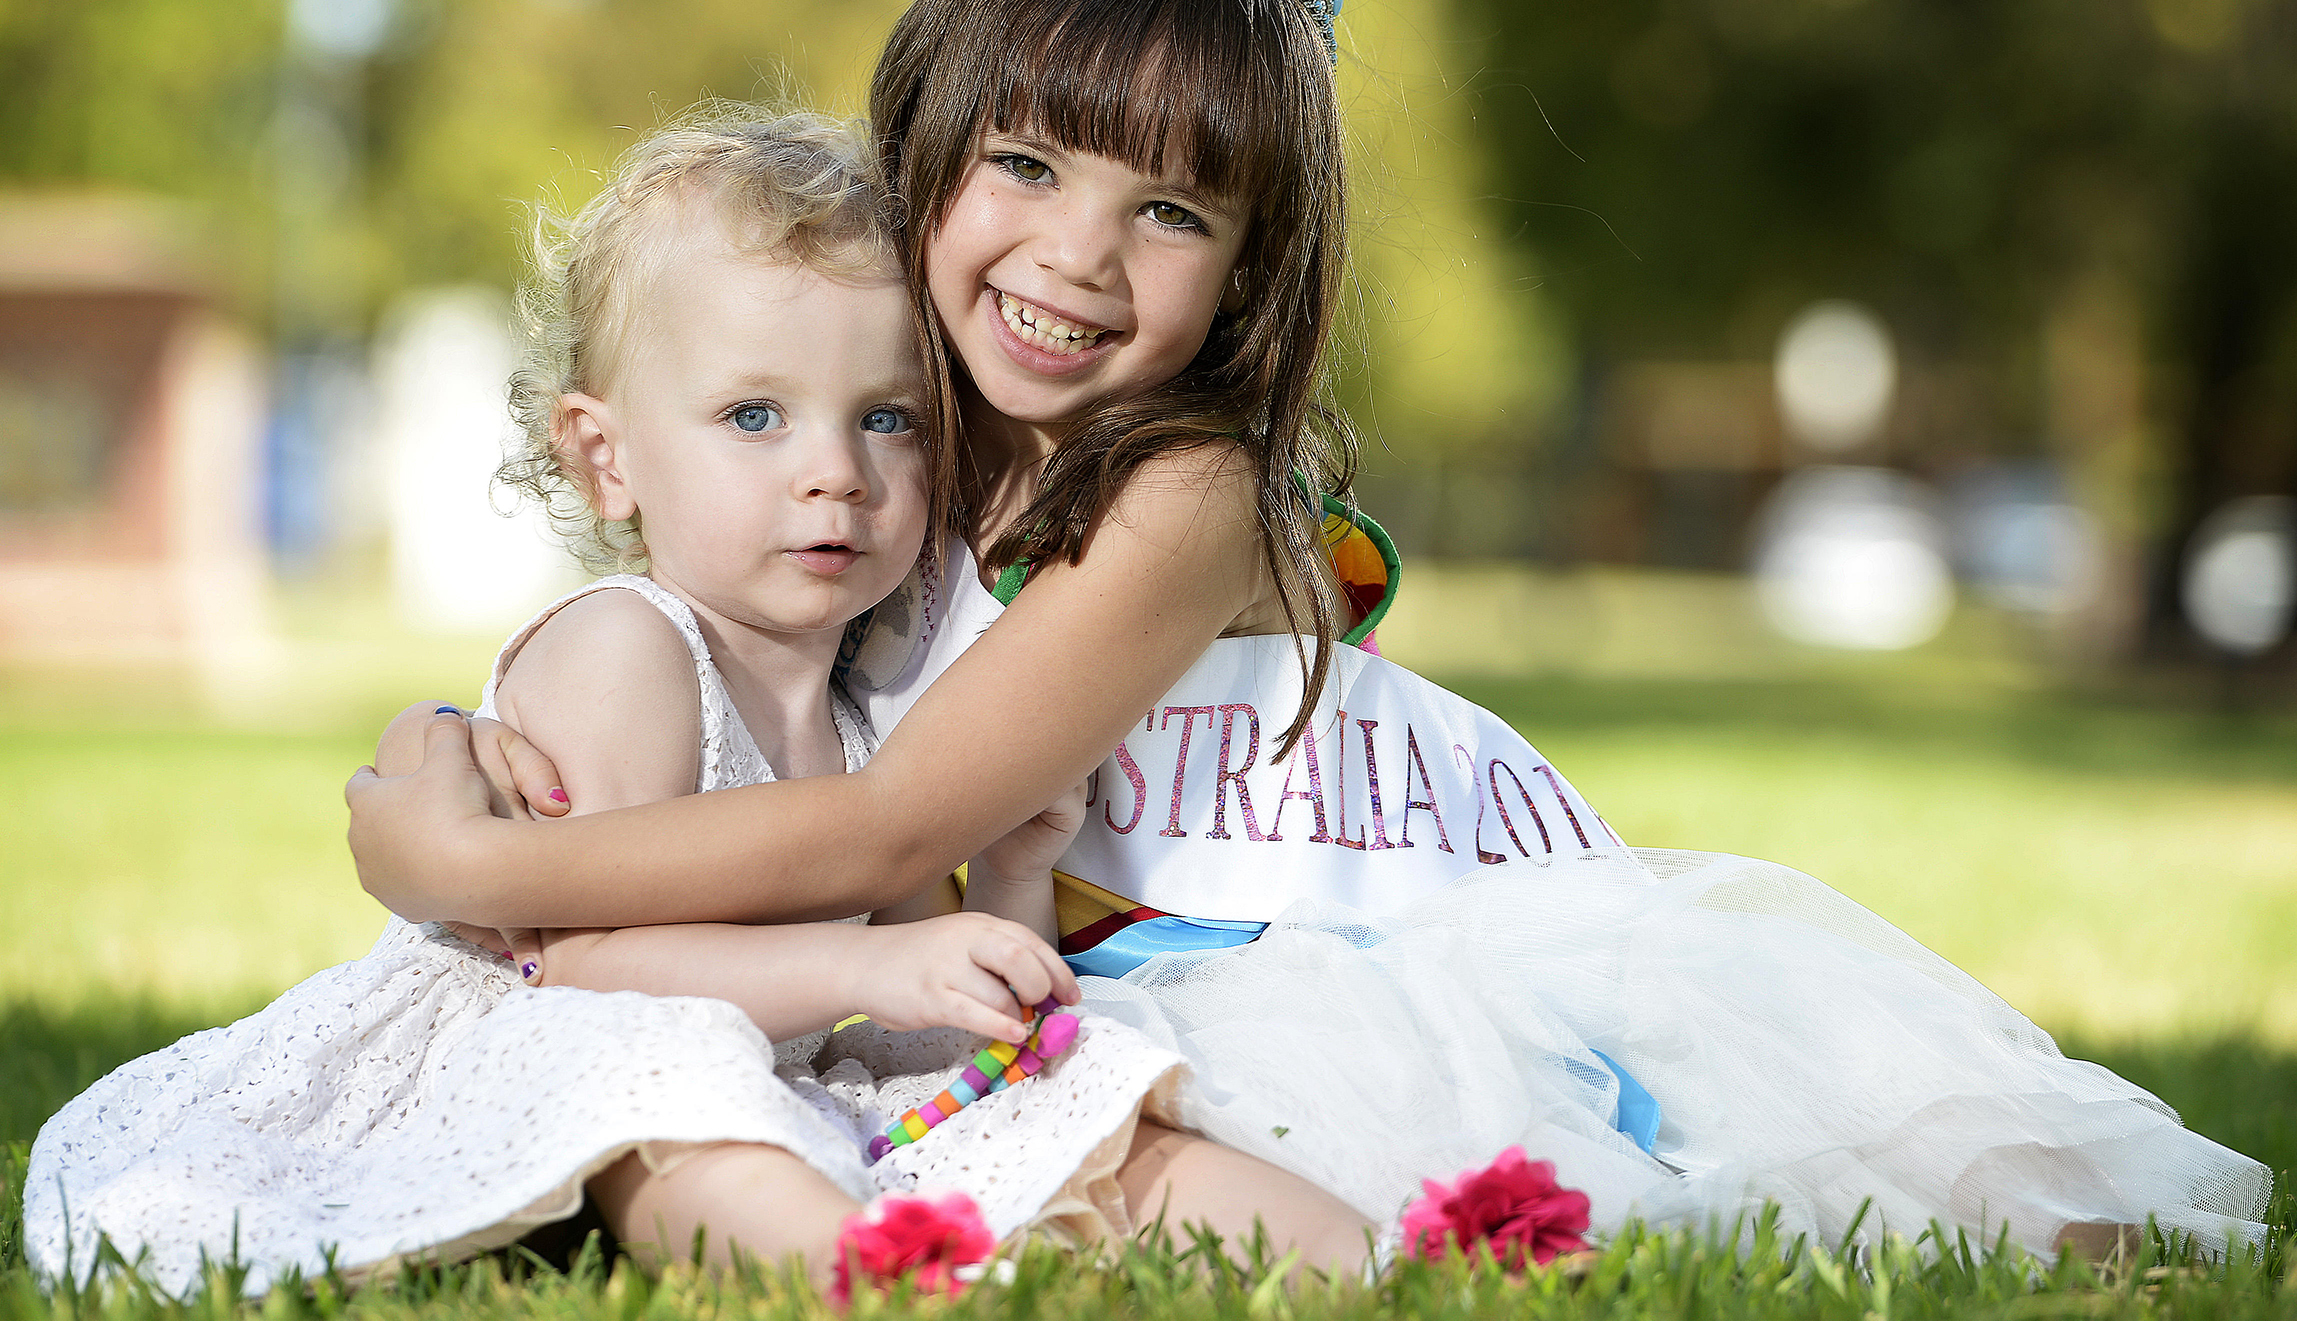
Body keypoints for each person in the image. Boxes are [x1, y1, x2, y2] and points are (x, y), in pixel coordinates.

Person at [344, 0, 2272, 1265]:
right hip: (1115, 950)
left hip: (1363, 935)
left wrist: (484, 879)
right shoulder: (900, 430)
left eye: (1171, 211)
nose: (1078, 258)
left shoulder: (1185, 488)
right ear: (918, 149)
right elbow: (738, 658)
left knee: (1768, 1169)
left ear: (1254, 264)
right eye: (1023, 161)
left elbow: (895, 814)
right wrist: (512, 748)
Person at [25, 108, 1369, 1296]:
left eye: (887, 419)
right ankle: (865, 1275)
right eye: (753, 417)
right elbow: (588, 966)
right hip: (549, 1059)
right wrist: (860, 962)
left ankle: (1362, 1244)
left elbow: (916, 1005)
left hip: (767, 1073)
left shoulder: (863, 699)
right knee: (676, 1098)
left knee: (1050, 1087)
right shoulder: (627, 650)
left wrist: (1008, 883)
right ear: (604, 457)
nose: (831, 472)